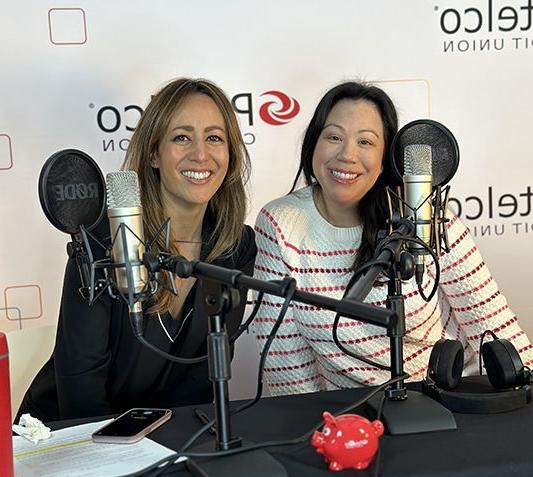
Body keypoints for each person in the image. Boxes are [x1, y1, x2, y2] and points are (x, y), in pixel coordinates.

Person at [252, 81, 532, 396]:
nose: (347, 155)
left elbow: (498, 333)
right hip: (348, 413)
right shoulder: (280, 222)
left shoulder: (424, 216)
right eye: (333, 137)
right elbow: (284, 362)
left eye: (366, 142)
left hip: (446, 400)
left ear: (387, 157)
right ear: (312, 144)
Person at [18, 78, 256, 421]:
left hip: (160, 436)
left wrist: (175, 448)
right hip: (68, 435)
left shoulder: (235, 245)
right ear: (154, 154)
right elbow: (80, 381)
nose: (200, 154)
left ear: (231, 155)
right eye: (182, 137)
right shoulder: (103, 238)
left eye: (214, 138)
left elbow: (202, 378)